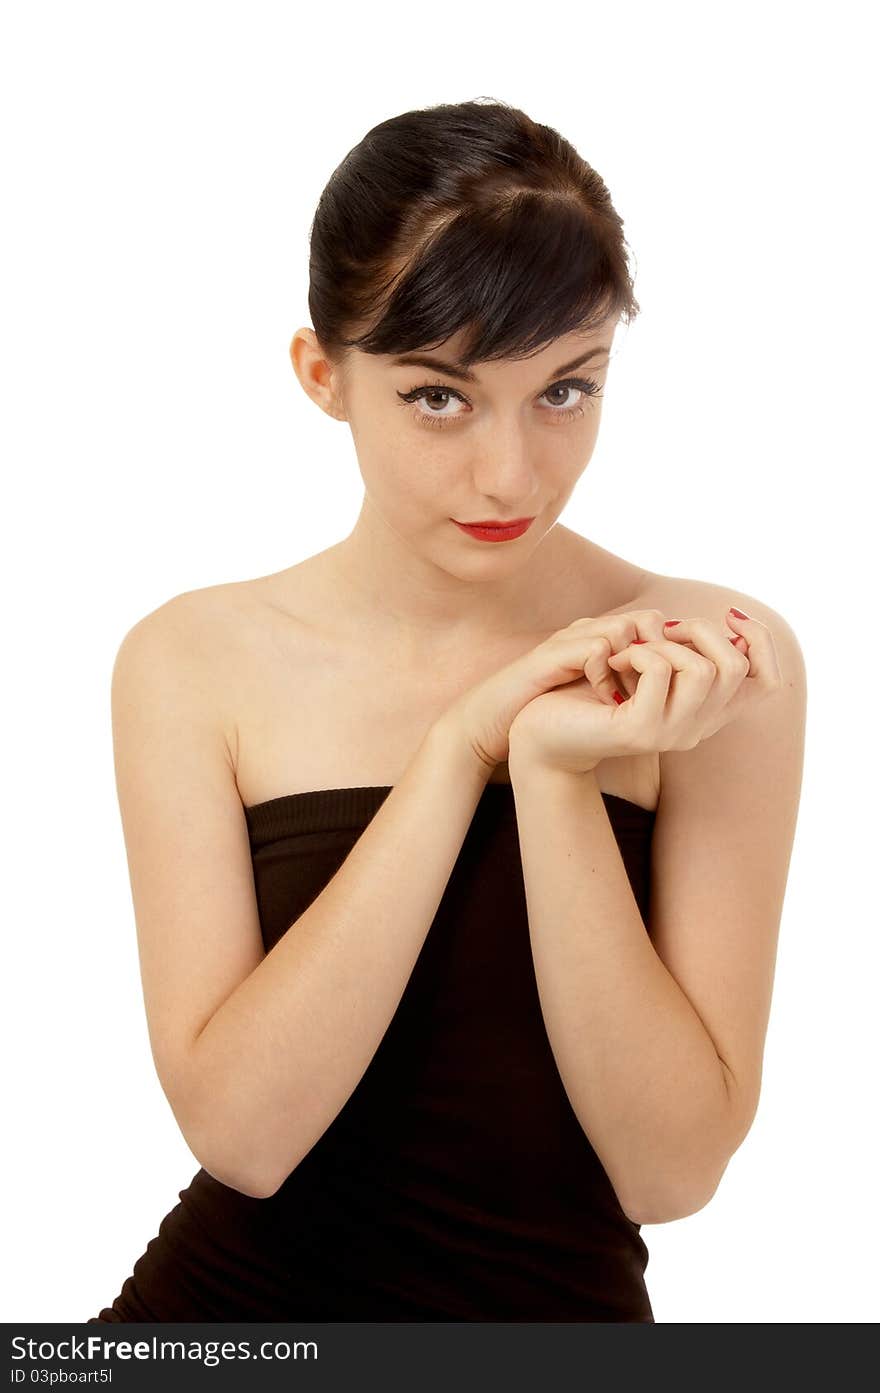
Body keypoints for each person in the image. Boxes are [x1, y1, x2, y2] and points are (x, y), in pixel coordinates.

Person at [87, 96, 806, 1323]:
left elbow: (670, 1168)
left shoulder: (705, 660)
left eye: (564, 391)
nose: (510, 474)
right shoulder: (194, 659)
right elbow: (247, 1136)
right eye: (438, 397)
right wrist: (462, 746)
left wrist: (553, 770)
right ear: (325, 375)